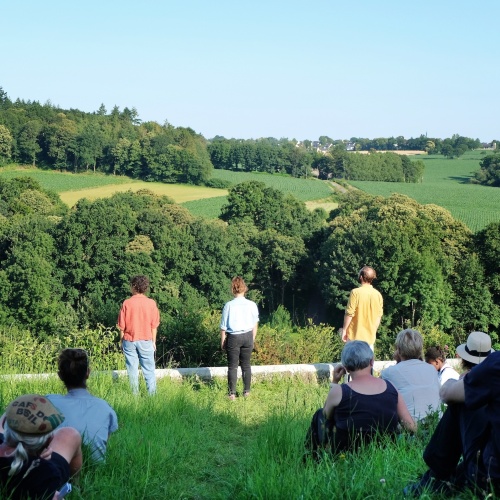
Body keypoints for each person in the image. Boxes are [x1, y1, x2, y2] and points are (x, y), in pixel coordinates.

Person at [405, 331, 497, 496]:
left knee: (460, 402)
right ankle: (455, 477)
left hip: (492, 479)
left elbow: (446, 393)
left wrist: (463, 381)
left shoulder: (494, 368)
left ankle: (435, 477)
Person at [306, 341, 416, 458]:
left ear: (346, 368)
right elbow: (411, 426)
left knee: (319, 414)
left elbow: (325, 418)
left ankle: (313, 458)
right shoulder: (391, 388)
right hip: (385, 452)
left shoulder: (339, 391)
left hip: (346, 453)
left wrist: (335, 382)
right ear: (372, 361)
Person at [0, 394, 82, 500]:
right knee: (70, 434)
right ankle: (77, 487)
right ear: (49, 440)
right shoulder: (46, 473)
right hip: (39, 473)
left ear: (5, 423)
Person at [47, 348, 118, 462]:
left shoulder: (48, 403)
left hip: (56, 468)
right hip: (95, 468)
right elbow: (104, 442)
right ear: (88, 373)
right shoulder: (105, 407)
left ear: (60, 376)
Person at [380, 329, 441, 422]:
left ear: (398, 349)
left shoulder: (389, 372)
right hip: (436, 423)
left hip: (408, 427)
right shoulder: (431, 369)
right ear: (420, 349)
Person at [117, 275, 160, 395]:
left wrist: (121, 342)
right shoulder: (151, 303)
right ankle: (152, 397)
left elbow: (121, 326)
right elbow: (154, 325)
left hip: (129, 340)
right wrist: (154, 342)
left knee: (132, 370)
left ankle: (134, 397)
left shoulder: (127, 303)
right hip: (146, 340)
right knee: (149, 371)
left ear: (134, 287)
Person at [220, 277, 259, 400]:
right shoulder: (252, 304)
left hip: (233, 337)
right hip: (248, 335)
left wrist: (222, 341)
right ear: (244, 288)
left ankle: (232, 394)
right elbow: (255, 323)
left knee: (232, 366)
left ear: (233, 289)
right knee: (246, 365)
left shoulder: (229, 305)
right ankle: (246, 392)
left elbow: (223, 326)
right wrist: (252, 338)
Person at [342, 266, 383, 351]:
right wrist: (373, 331)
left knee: (351, 363)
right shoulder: (378, 295)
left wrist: (344, 330)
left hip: (354, 337)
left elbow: (349, 313)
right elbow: (378, 317)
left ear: (361, 277)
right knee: (367, 363)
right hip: (369, 340)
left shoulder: (355, 292)